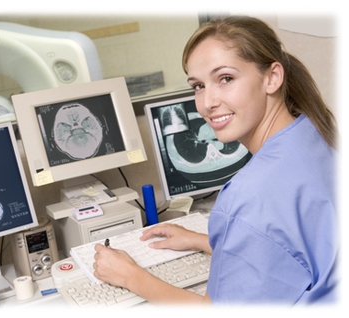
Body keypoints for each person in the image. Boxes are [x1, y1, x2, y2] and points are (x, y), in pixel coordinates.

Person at [93, 14, 343, 314]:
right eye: (198, 86)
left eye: (225, 79)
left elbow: (214, 314)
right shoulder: (317, 136)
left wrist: (130, 276)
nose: (207, 102)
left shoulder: (248, 197)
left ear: (272, 77)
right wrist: (205, 241)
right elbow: (296, 247)